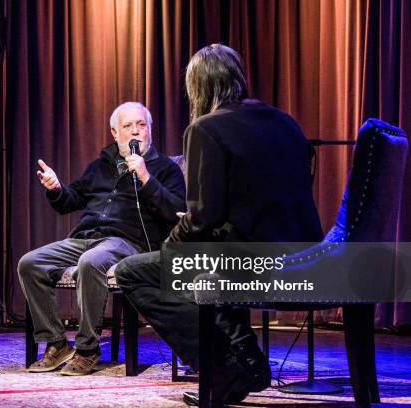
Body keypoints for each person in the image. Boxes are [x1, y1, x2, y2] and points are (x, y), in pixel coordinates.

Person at [115, 44, 323, 404]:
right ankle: (248, 360)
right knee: (214, 253)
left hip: (255, 263)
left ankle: (224, 367)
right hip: (308, 255)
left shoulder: (206, 129)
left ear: (197, 87)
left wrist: (170, 248)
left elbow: (203, 217)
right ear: (238, 76)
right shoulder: (285, 122)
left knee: (135, 271)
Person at [18, 101, 186, 376]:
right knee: (30, 263)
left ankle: (87, 349)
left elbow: (175, 213)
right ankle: (57, 342)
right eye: (128, 126)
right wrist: (57, 188)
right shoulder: (100, 167)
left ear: (150, 130)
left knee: (91, 261)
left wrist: (146, 178)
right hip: (86, 238)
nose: (135, 132)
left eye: (141, 125)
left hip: (128, 243)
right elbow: (69, 201)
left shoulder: (165, 169)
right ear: (114, 132)